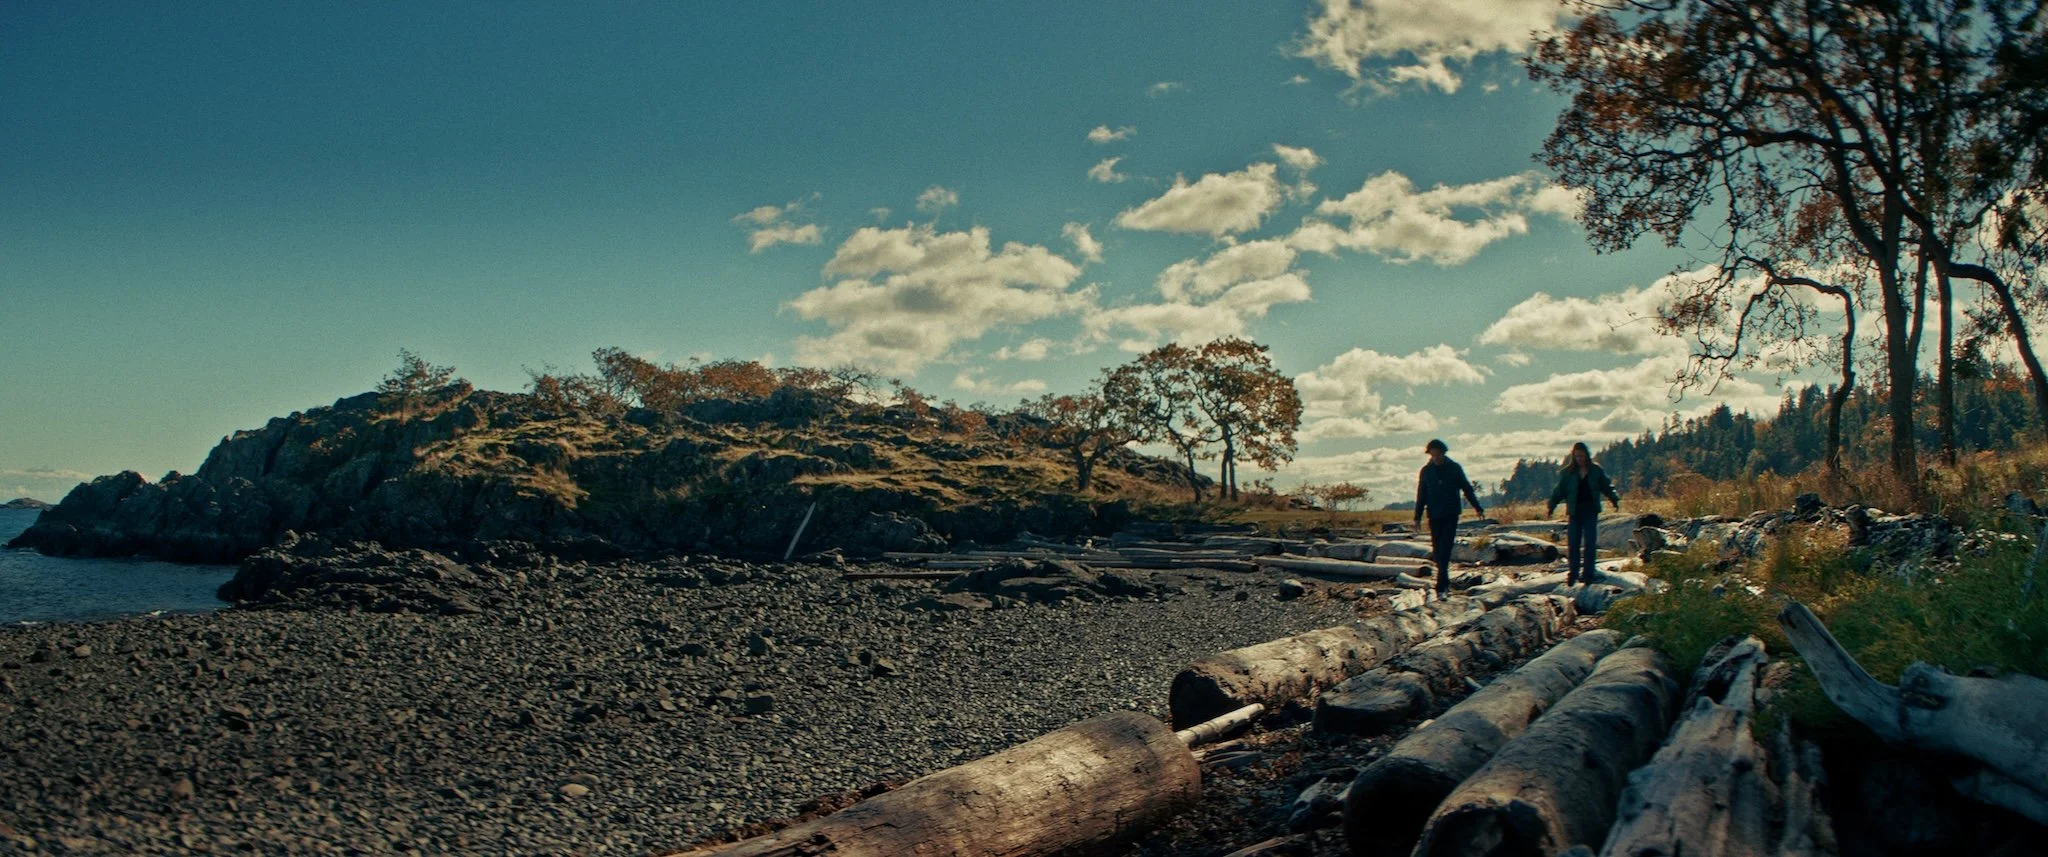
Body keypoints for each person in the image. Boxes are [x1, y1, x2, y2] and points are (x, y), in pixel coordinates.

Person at [1413, 438, 1484, 596]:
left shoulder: (1454, 468)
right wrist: (1417, 516)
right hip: (1434, 514)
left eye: (1438, 455)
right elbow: (1421, 494)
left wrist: (1477, 507)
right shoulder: (1426, 471)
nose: (1436, 458)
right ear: (1429, 455)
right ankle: (1443, 580)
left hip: (1451, 513)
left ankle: (1442, 584)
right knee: (1437, 550)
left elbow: (1467, 488)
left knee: (1445, 547)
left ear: (1443, 453)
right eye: (1433, 455)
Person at [1547, 441, 1621, 585]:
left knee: (1590, 543)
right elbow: (1559, 491)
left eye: (1581, 456)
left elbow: (1606, 486)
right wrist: (1551, 506)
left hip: (1590, 511)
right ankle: (1573, 574)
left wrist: (1614, 499)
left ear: (1587, 455)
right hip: (1575, 512)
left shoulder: (1596, 470)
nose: (1579, 459)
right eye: (1576, 456)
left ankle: (1588, 574)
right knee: (1573, 543)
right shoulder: (1567, 473)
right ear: (1573, 457)